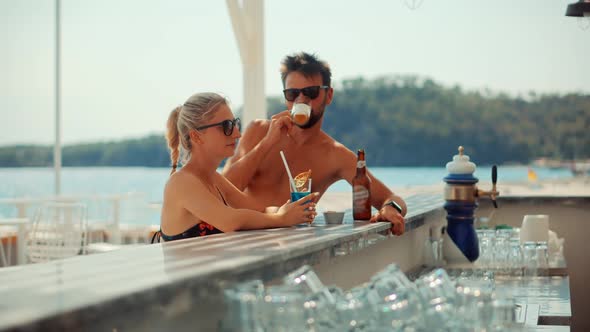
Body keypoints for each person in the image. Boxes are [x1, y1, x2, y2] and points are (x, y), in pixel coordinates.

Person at [223, 52, 407, 236]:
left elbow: (391, 198)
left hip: (289, 244)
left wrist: (391, 208)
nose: (301, 100)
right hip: (238, 238)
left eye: (311, 92)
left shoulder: (334, 154)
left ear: (328, 95)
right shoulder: (258, 130)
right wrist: (267, 143)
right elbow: (220, 191)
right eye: (292, 93)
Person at [155, 92, 318, 242]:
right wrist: (282, 218)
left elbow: (256, 210)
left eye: (235, 124)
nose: (237, 134)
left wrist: (293, 211)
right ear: (196, 136)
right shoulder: (181, 183)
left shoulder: (213, 178)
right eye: (226, 126)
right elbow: (230, 221)